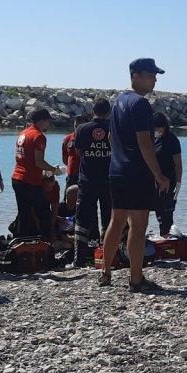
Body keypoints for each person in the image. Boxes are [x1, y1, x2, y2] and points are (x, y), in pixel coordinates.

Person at [100, 58, 171, 292]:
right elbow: (145, 143)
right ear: (136, 76)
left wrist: (119, 157)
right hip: (136, 173)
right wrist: (159, 175)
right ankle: (136, 278)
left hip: (116, 170)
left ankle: (105, 272)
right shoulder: (140, 104)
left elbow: (111, 138)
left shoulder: (117, 101)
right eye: (151, 75)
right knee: (138, 226)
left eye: (155, 75)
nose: (155, 80)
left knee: (116, 220)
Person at [72, 98, 113, 267]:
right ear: (109, 113)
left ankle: (79, 259)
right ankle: (108, 257)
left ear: (92, 112)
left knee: (82, 220)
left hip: (87, 181)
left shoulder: (82, 129)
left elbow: (79, 152)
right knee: (110, 219)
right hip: (109, 181)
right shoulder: (113, 128)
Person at [11, 109, 63, 238]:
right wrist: (54, 170)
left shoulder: (23, 133)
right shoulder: (39, 136)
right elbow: (38, 162)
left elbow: (24, 158)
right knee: (44, 214)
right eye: (48, 122)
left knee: (24, 214)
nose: (49, 125)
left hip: (17, 178)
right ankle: (47, 245)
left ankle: (21, 244)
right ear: (42, 120)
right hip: (30, 181)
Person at [152, 112, 184, 237]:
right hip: (154, 179)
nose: (156, 130)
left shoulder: (172, 140)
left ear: (164, 126)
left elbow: (178, 164)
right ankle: (163, 234)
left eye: (158, 127)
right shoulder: (153, 139)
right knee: (157, 208)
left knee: (167, 209)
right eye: (154, 127)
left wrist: (178, 183)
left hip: (169, 179)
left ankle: (167, 235)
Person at [61, 115, 87, 188]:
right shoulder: (68, 138)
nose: (77, 128)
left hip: (85, 175)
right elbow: (65, 158)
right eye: (76, 125)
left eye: (79, 125)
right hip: (71, 175)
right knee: (69, 197)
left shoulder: (89, 139)